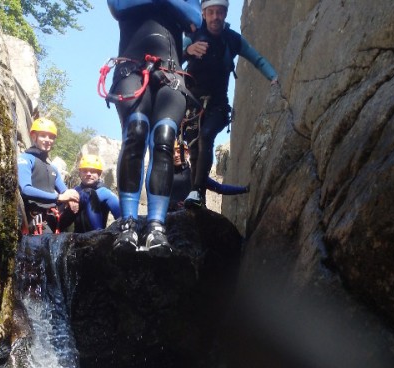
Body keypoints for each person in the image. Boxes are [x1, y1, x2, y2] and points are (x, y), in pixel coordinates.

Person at [106, 0, 202, 254]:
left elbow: (196, 18)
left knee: (164, 139)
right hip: (131, 71)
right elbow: (118, 7)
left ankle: (156, 225)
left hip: (170, 75)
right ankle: (128, 222)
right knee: (135, 134)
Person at [182, 0, 278, 208]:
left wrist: (273, 76)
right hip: (192, 104)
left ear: (225, 14)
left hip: (218, 105)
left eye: (220, 12)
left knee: (206, 135)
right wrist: (188, 50)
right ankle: (197, 203)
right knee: (195, 153)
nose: (216, 17)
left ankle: (197, 192)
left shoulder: (232, 40)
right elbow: (173, 57)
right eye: (211, 12)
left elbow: (257, 59)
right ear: (204, 15)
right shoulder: (193, 36)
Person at [18, 118, 80, 234]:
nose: (48, 140)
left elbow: (64, 192)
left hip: (51, 219)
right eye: (43, 136)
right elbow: (25, 189)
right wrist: (57, 198)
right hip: (33, 219)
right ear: (33, 136)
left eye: (51, 137)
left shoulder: (52, 168)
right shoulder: (25, 159)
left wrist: (72, 198)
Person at [169, 140, 248, 211]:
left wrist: (245, 189)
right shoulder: (165, 176)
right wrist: (173, 204)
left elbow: (220, 188)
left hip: (193, 216)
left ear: (187, 153)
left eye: (179, 151)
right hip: (169, 216)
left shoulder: (195, 175)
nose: (176, 155)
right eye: (172, 152)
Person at [59, 154, 122, 232]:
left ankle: (98, 235)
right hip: (77, 238)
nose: (88, 174)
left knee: (88, 193)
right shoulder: (74, 191)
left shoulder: (106, 193)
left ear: (99, 174)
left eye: (93, 171)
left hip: (97, 238)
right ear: (80, 173)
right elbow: (62, 221)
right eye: (85, 171)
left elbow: (121, 217)